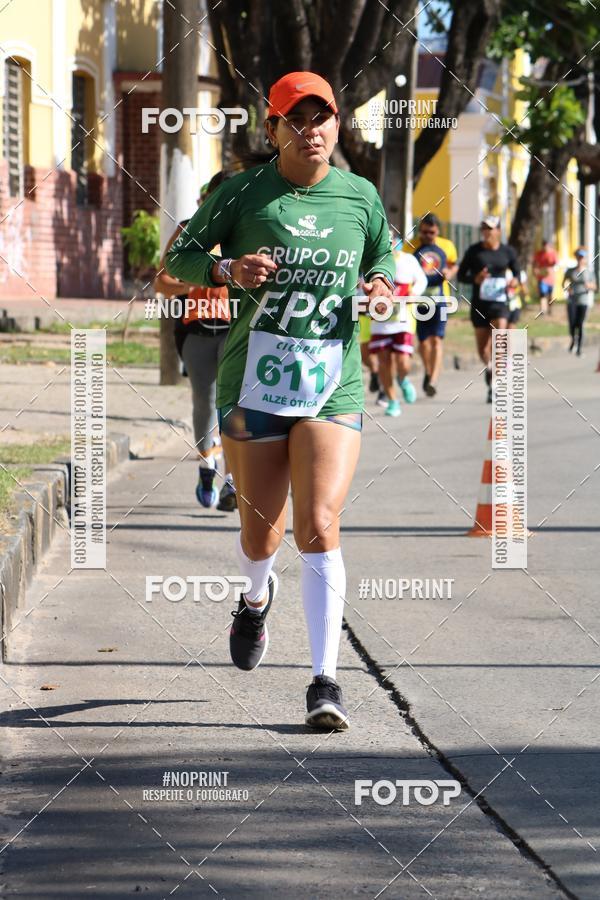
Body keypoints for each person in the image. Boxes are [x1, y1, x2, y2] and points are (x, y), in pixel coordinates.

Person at [166, 71, 395, 730]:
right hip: (254, 385)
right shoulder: (243, 193)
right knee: (259, 533)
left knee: (318, 523)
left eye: (322, 117)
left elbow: (382, 257)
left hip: (333, 383)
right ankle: (254, 599)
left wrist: (379, 284)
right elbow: (174, 261)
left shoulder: (360, 196)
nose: (312, 130)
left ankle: (325, 681)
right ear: (273, 129)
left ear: (338, 124)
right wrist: (224, 270)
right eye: (297, 119)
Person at [154, 172, 237, 511]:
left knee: (236, 407)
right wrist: (200, 280)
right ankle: (207, 466)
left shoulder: (250, 232)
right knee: (204, 403)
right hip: (196, 330)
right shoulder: (189, 230)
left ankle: (232, 484)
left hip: (237, 331)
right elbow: (162, 282)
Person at [457, 216, 519, 402]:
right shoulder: (474, 251)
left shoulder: (507, 252)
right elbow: (461, 275)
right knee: (483, 349)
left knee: (499, 338)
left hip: (500, 302)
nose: (487, 231)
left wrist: (515, 280)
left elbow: (517, 272)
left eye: (490, 228)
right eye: (484, 228)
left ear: (498, 231)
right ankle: (491, 368)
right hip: (479, 303)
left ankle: (496, 385)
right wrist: (475, 279)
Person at [368, 234, 426, 416]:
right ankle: (392, 401)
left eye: (391, 240)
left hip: (403, 320)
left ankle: (402, 378)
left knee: (403, 362)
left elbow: (422, 280)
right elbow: (361, 284)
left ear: (396, 242)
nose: (389, 244)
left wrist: (413, 294)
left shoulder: (408, 260)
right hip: (380, 321)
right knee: (384, 361)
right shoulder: (371, 261)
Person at [408, 213, 458, 397]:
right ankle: (428, 371)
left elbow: (454, 264)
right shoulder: (410, 246)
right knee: (423, 342)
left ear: (437, 231)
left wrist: (449, 272)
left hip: (440, 299)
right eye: (424, 232)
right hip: (419, 300)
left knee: (437, 339)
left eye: (431, 232)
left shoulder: (447, 246)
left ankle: (433, 379)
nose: (428, 235)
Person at [563, 248, 596, 355]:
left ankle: (579, 348)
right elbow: (563, 283)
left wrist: (589, 286)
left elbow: (595, 286)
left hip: (583, 300)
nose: (580, 259)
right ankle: (573, 340)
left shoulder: (589, 272)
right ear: (576, 257)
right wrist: (567, 288)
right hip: (572, 300)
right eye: (578, 256)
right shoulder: (570, 271)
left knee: (580, 324)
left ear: (585, 259)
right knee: (572, 323)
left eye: (582, 257)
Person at [532, 239, 558, 315]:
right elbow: (534, 264)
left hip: (551, 277)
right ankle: (542, 310)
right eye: (544, 245)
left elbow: (556, 264)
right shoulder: (539, 254)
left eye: (546, 245)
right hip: (542, 277)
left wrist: (551, 267)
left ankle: (550, 309)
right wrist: (535, 270)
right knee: (542, 294)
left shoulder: (553, 253)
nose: (545, 247)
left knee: (550, 295)